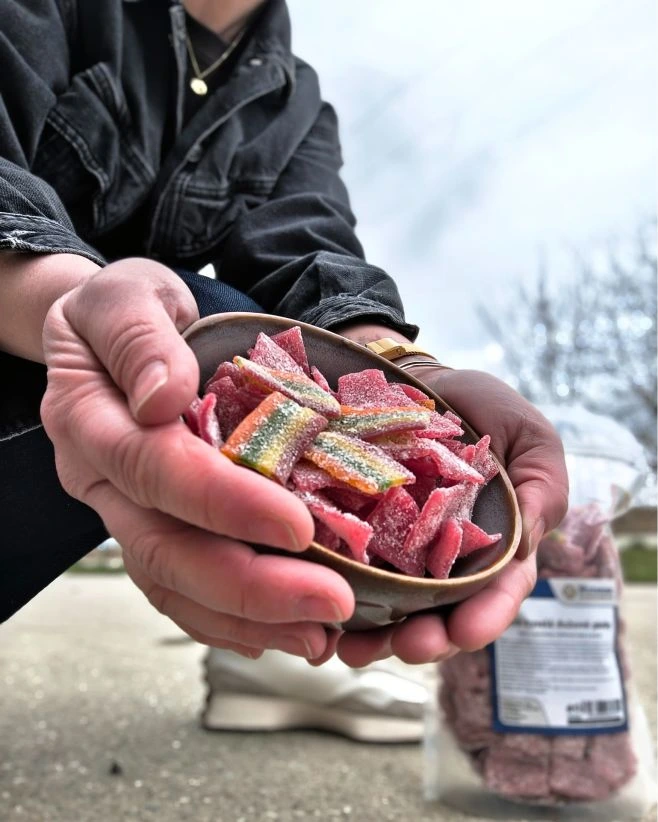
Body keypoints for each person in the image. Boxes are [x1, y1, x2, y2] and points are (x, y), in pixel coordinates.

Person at [0, 0, 568, 681]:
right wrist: (75, 306)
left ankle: (275, 653)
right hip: (55, 360)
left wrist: (409, 372)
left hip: (122, 401)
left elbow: (310, 250)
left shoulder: (294, 100)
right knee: (211, 320)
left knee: (212, 333)